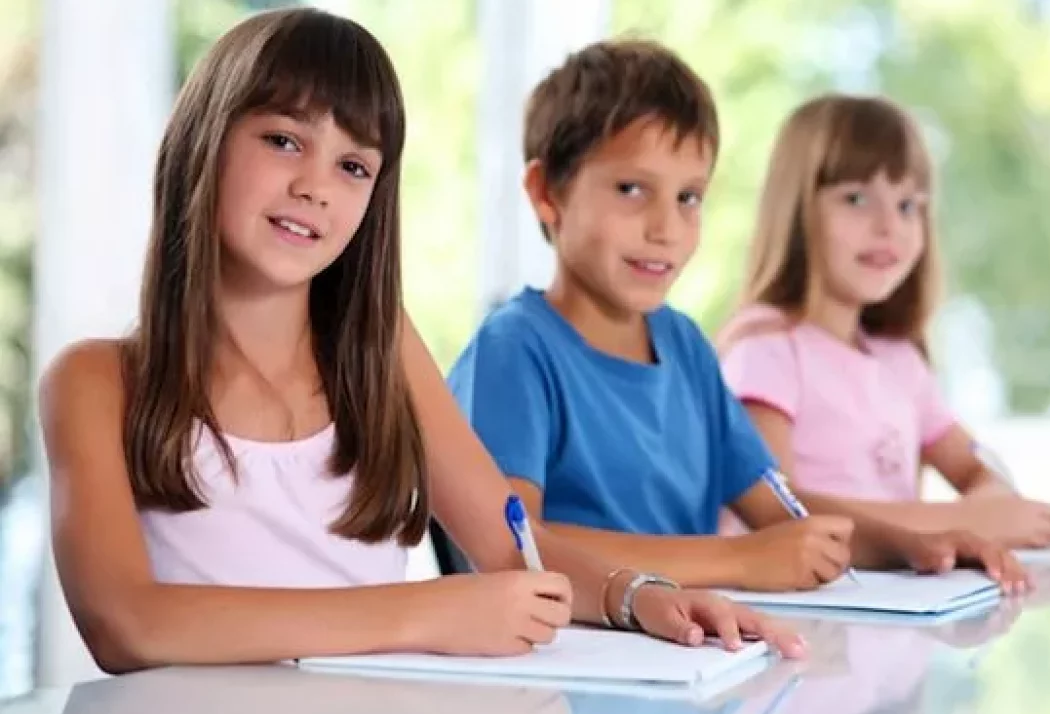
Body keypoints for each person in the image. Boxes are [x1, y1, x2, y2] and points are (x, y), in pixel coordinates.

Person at [37, 9, 802, 675]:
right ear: (202, 141)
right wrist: (424, 611)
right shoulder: (95, 380)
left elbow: (512, 546)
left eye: (353, 164)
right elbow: (127, 623)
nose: (316, 185)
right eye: (281, 139)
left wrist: (638, 595)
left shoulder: (379, 349)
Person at [447, 40, 1029, 594]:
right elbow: (513, 547)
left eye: (689, 197)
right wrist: (738, 559)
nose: (666, 227)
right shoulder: (514, 350)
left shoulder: (687, 348)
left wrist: (917, 544)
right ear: (547, 191)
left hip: (692, 664)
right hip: (572, 677)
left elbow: (782, 513)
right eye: (631, 188)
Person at [717, 93, 1050, 550]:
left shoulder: (900, 362)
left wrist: (990, 501)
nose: (889, 226)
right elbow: (778, 512)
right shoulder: (766, 347)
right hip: (795, 612)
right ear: (796, 209)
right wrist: (961, 523)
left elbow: (977, 465)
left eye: (908, 205)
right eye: (856, 198)